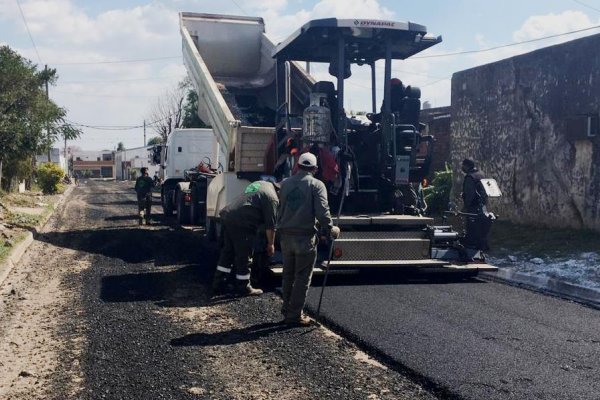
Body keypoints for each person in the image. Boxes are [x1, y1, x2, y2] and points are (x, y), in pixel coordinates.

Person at [277, 153, 340, 326]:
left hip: (285, 236)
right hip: (304, 238)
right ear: (315, 169)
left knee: (288, 275)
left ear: (297, 166)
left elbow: (279, 207)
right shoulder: (316, 185)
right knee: (302, 277)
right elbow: (322, 211)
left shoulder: (285, 183)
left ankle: (286, 309)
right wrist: (330, 228)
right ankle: (294, 315)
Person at [212, 180, 279, 296]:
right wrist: (271, 244)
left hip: (228, 215)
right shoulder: (272, 197)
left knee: (228, 252)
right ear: (279, 191)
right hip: (242, 222)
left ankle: (218, 284)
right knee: (244, 255)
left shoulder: (260, 184)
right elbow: (270, 226)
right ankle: (244, 287)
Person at [460, 158, 491, 251]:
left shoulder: (470, 177)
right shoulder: (481, 174)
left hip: (473, 206)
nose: (462, 167)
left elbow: (470, 194)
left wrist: (466, 206)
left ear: (466, 166)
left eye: (463, 165)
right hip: (482, 205)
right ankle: (482, 246)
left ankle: (472, 248)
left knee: (472, 227)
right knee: (482, 227)